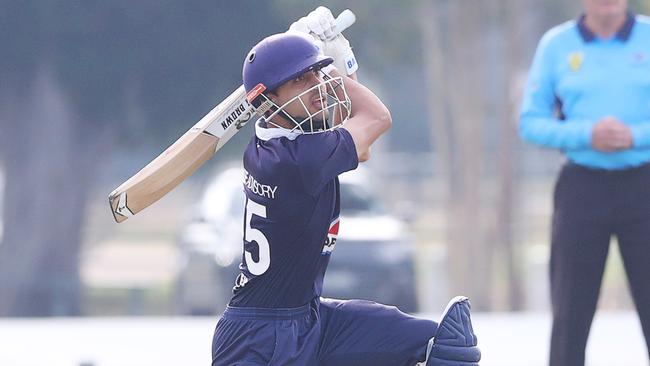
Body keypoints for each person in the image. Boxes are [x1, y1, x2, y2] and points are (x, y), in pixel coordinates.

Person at [210, 6, 481, 366]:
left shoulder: (288, 140)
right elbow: (376, 118)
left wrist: (325, 60)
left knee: (449, 346)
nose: (316, 86)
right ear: (267, 100)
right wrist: (333, 64)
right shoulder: (297, 159)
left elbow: (361, 144)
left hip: (310, 319)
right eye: (300, 80)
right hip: (259, 337)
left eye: (315, 76)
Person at [519, 1, 650, 364]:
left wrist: (635, 136)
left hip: (644, 186)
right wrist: (587, 134)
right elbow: (530, 123)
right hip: (581, 188)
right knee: (570, 313)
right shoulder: (556, 45)